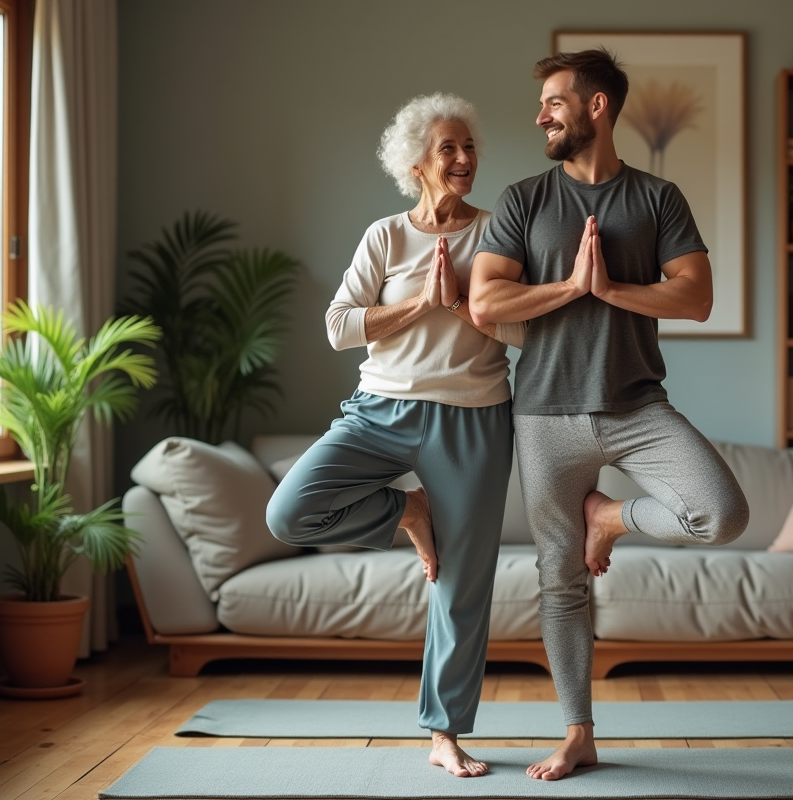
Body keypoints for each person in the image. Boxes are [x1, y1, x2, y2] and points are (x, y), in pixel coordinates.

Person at [469, 49, 751, 781]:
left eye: (555, 102)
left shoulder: (658, 198)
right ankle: (579, 733)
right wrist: (569, 288)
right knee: (560, 582)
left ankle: (610, 519)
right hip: (543, 414)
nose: (541, 116)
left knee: (719, 513)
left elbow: (695, 297)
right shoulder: (525, 199)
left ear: (597, 107)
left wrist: (614, 289)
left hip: (636, 406)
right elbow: (485, 302)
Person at [265, 93, 523, 778]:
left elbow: (527, 330)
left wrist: (468, 307)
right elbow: (338, 326)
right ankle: (407, 510)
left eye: (470, 147)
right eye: (449, 148)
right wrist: (418, 304)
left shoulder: (500, 234)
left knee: (463, 586)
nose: (465, 159)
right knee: (289, 511)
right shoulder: (386, 236)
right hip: (379, 411)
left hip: (473, 417)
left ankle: (444, 733)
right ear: (416, 164)